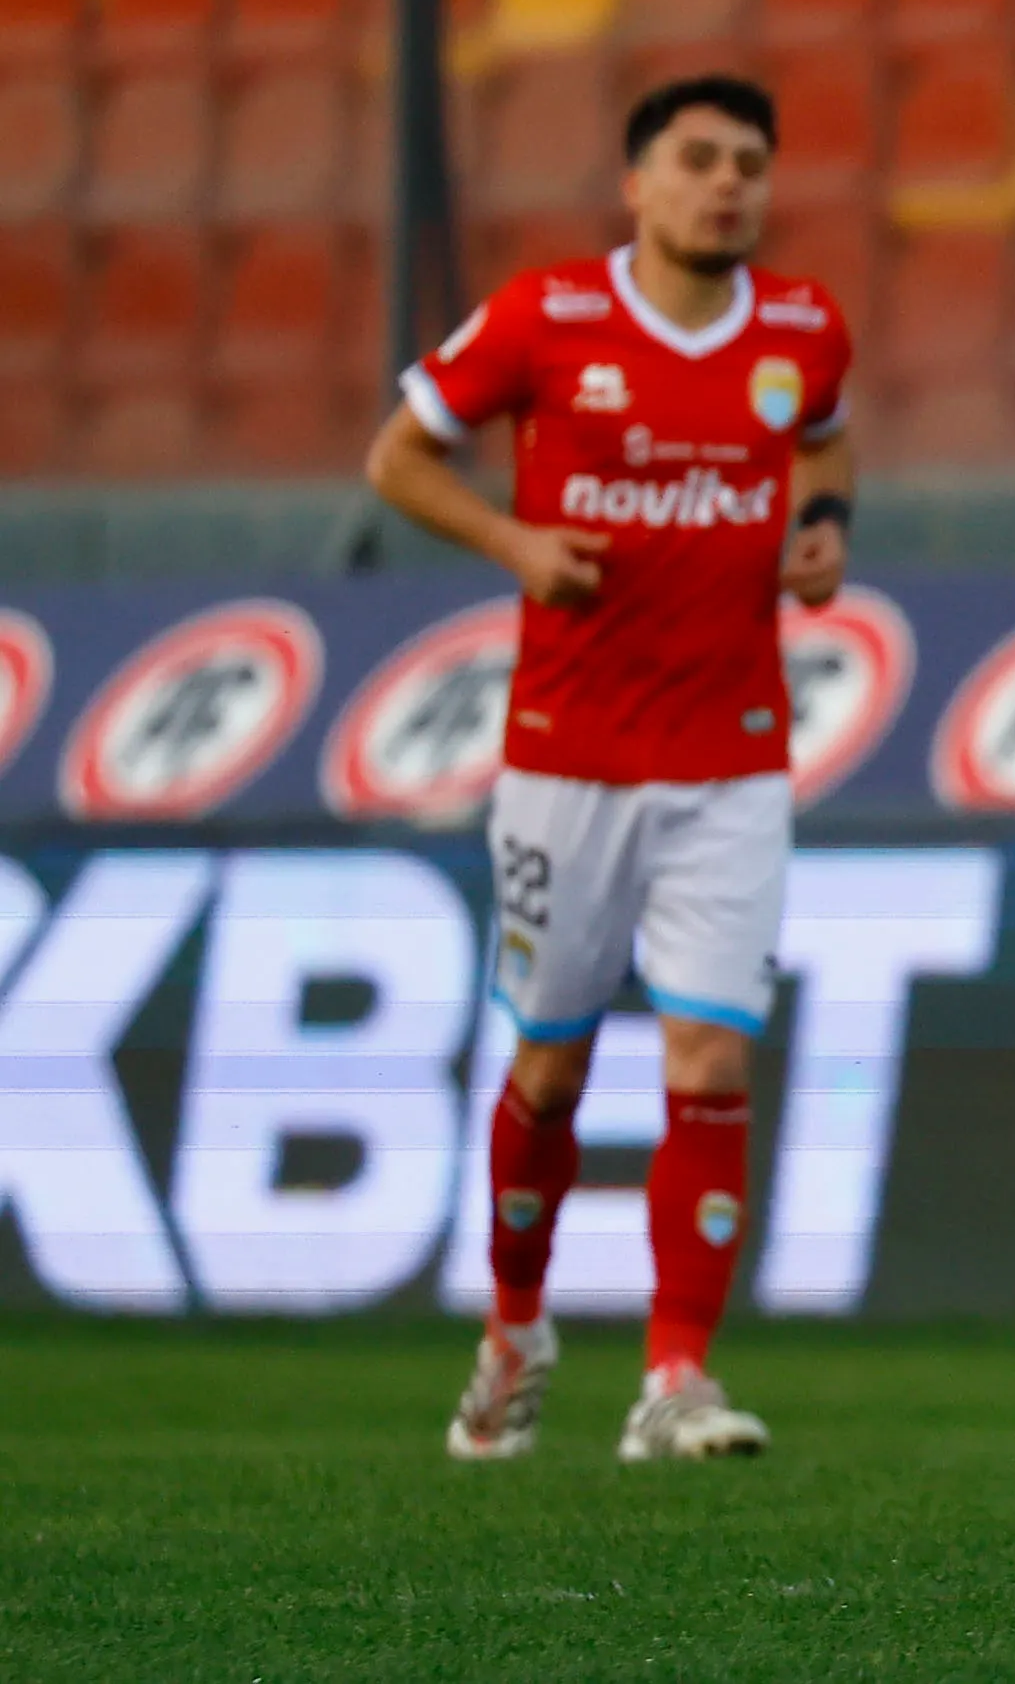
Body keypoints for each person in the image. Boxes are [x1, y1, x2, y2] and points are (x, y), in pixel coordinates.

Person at [363, 74, 857, 1463]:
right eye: (698, 159)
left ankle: (676, 1374)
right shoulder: (546, 317)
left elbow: (825, 443)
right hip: (565, 760)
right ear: (636, 183)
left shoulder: (803, 329)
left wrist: (825, 527)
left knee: (711, 1052)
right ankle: (515, 1333)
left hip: (732, 757)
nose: (728, 184)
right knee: (549, 1069)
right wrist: (515, 544)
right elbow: (398, 457)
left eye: (750, 162)